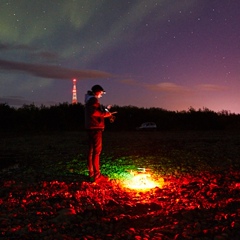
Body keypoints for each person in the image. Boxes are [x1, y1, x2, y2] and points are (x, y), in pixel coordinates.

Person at [84, 84, 113, 183]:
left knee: (91, 152)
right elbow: (94, 113)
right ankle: (97, 176)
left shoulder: (89, 99)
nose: (101, 94)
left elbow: (95, 111)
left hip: (90, 128)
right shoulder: (93, 100)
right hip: (95, 128)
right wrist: (106, 114)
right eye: (101, 92)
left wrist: (106, 110)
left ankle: (92, 174)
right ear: (97, 92)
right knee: (96, 152)